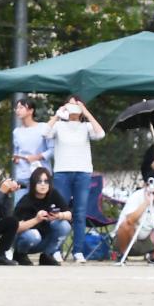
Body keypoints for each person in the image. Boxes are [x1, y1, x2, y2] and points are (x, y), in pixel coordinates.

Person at [48, 95, 105, 224]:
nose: (73, 108)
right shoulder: (58, 125)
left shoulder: (87, 127)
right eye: (70, 105)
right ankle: (56, 243)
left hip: (83, 172)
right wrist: (58, 114)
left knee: (80, 212)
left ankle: (78, 245)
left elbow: (101, 134)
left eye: (76, 105)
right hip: (62, 172)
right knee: (58, 210)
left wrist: (86, 112)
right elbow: (45, 133)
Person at [10, 167, 72, 265]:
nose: (43, 184)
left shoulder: (53, 194)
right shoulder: (26, 200)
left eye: (46, 181)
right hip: (25, 240)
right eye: (39, 181)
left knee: (64, 225)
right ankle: (19, 254)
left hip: (44, 240)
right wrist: (36, 219)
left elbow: (69, 214)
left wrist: (58, 215)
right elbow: (15, 228)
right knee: (34, 234)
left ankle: (47, 255)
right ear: (33, 184)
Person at [11, 98, 53, 184]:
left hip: (42, 176)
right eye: (16, 108)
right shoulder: (16, 132)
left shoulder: (44, 127)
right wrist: (15, 158)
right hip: (23, 176)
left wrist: (37, 157)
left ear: (31, 110)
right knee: (21, 198)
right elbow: (16, 151)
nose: (18, 110)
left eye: (21, 107)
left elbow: (52, 150)